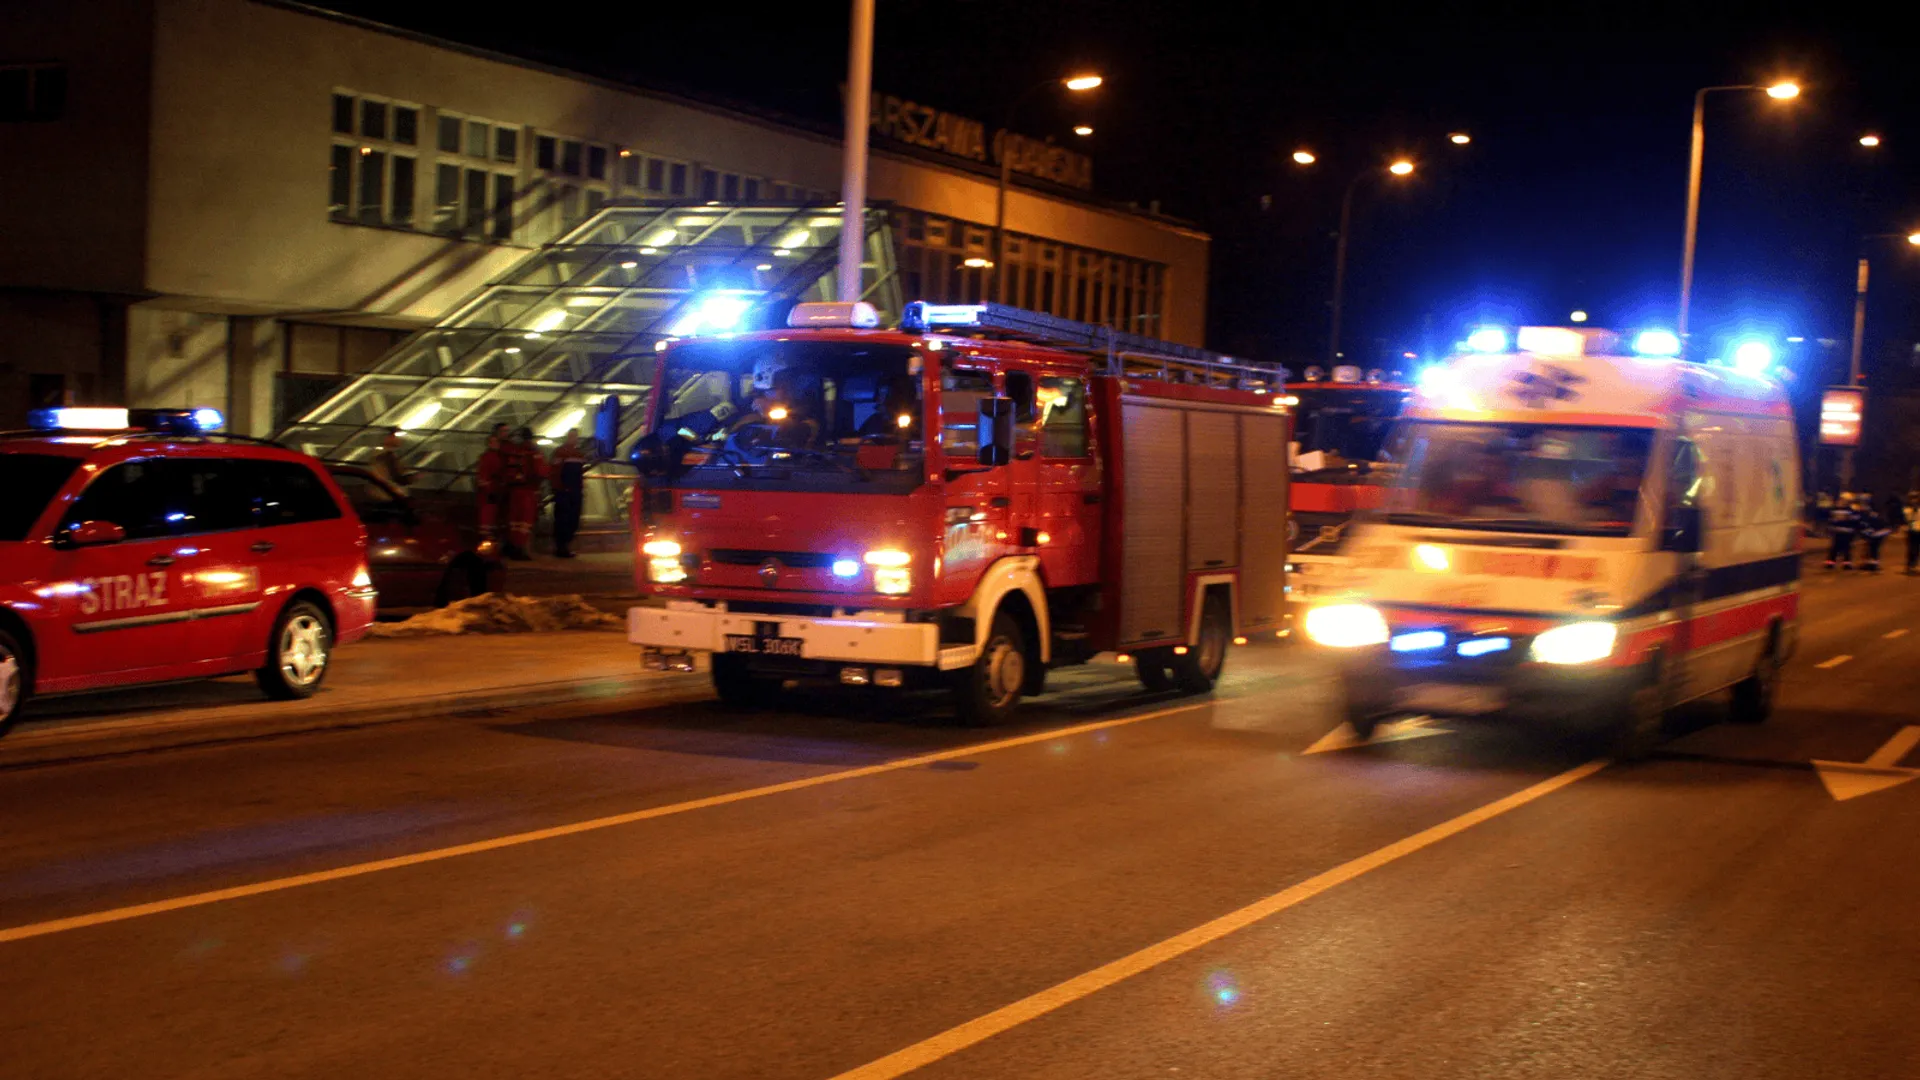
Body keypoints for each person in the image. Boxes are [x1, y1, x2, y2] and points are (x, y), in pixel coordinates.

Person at [503, 426, 546, 561]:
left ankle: (512, 547)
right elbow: (541, 471)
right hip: (528, 490)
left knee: (514, 522)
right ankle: (519, 549)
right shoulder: (533, 451)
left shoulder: (515, 450)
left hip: (514, 490)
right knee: (525, 523)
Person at [549, 430, 589, 559]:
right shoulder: (563, 452)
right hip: (565, 492)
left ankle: (564, 545)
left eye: (576, 437)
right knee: (564, 519)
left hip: (573, 491)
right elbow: (555, 471)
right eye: (573, 437)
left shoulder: (577, 453)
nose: (574, 439)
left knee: (572, 519)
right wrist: (559, 487)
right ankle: (562, 546)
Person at [475, 423, 511, 547]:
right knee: (487, 520)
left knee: (492, 520)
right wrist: (490, 488)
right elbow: (484, 477)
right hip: (489, 494)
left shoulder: (496, 456)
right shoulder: (489, 457)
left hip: (494, 492)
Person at [370, 429, 414, 494]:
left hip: (381, 492)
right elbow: (397, 477)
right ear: (389, 438)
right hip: (391, 493)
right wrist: (413, 477)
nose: (399, 440)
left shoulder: (379, 454)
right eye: (396, 436)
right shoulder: (388, 456)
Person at [1825, 494, 1858, 570]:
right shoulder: (1850, 510)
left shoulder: (1834, 509)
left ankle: (1830, 563)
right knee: (1846, 548)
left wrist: (1830, 528)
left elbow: (1831, 520)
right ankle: (1846, 564)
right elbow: (1854, 521)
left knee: (1835, 548)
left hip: (1837, 531)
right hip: (1846, 532)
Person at [1859, 497, 1892, 573]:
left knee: (1874, 548)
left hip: (1878, 533)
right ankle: (1870, 564)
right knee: (1871, 548)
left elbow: (1875, 524)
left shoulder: (1874, 514)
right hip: (1877, 532)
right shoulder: (1872, 513)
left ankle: (1873, 565)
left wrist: (1868, 532)